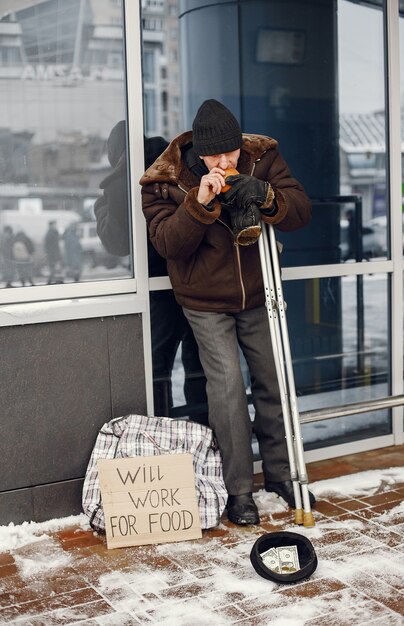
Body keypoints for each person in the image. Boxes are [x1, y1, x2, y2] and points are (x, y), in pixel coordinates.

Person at [140, 99, 315, 525]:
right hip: (203, 301)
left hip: (259, 294)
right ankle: (239, 491)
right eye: (215, 155)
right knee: (227, 392)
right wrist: (198, 204)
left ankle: (283, 475)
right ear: (198, 153)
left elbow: (301, 211)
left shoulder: (262, 157)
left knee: (274, 382)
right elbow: (168, 245)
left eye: (230, 152)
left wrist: (267, 195)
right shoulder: (164, 180)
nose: (224, 161)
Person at [94, 121, 208, 423]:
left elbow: (116, 243)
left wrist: (101, 203)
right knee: (201, 368)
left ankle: (164, 438)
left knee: (157, 371)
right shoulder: (175, 162)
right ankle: (206, 437)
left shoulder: (124, 182)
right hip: (199, 280)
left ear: (115, 152)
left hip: (160, 290)